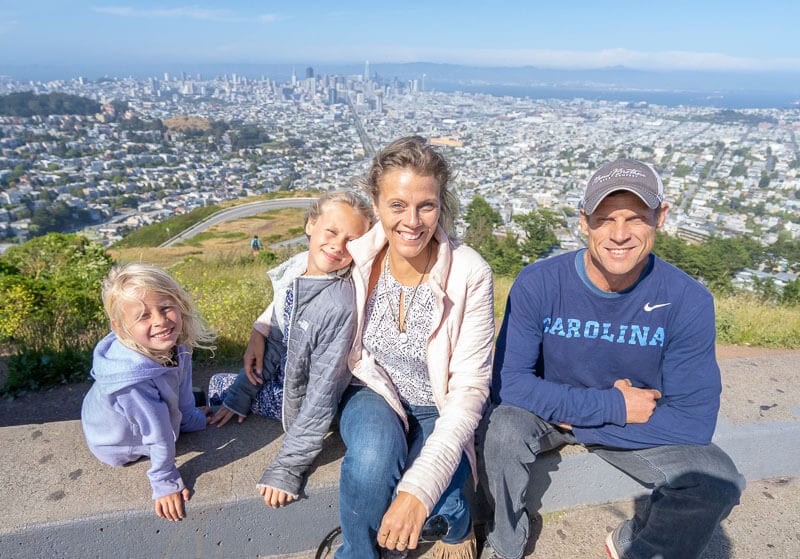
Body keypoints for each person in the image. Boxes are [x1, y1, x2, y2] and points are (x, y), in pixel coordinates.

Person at [477, 158, 746, 559]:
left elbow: (694, 420)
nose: (619, 234)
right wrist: (612, 405)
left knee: (718, 480)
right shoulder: (540, 281)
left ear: (660, 217)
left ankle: (638, 544)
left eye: (635, 218)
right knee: (501, 429)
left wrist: (585, 417)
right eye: (605, 219)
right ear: (584, 221)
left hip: (596, 412)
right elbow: (511, 383)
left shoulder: (687, 299)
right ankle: (504, 544)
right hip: (559, 413)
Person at [336, 136, 495, 559]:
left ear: (442, 205)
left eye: (426, 205)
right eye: (397, 205)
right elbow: (301, 276)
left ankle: (455, 524)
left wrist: (418, 491)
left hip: (436, 404)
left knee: (437, 505)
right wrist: (261, 326)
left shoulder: (469, 273)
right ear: (376, 203)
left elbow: (469, 391)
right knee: (371, 462)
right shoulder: (359, 255)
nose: (412, 221)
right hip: (373, 388)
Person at [206, 190, 374, 508]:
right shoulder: (299, 270)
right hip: (287, 374)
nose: (338, 246)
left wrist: (287, 467)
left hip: (297, 401)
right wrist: (241, 395)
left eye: (352, 241)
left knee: (217, 386)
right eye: (332, 231)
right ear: (311, 224)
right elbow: (280, 337)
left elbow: (323, 394)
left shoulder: (337, 305)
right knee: (226, 390)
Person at [81, 263, 217, 521]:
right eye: (143, 316)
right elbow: (158, 432)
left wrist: (191, 418)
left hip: (136, 415)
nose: (160, 321)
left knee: (196, 395)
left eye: (166, 308)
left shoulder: (175, 343)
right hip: (117, 442)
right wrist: (164, 480)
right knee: (166, 425)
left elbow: (183, 387)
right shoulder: (132, 382)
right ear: (120, 327)